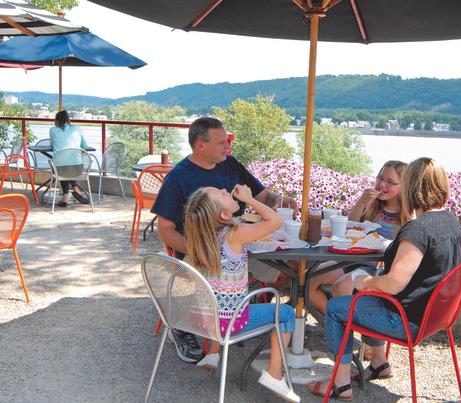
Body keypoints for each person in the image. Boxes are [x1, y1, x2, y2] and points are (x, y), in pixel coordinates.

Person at [308, 157, 461, 400]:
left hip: (405, 319)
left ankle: (340, 383)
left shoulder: (418, 231)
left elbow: (393, 284)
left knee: (338, 309)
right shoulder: (450, 222)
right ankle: (379, 364)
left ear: (411, 188)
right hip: (435, 317)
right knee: (357, 297)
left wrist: (364, 282)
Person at [152, 116, 297, 364]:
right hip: (199, 255)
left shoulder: (230, 164)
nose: (227, 147)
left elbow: (264, 195)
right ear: (200, 145)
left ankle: (241, 309)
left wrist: (278, 199)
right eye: (221, 143)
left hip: (241, 247)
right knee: (227, 277)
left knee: (291, 269)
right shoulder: (178, 177)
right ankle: (188, 325)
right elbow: (164, 229)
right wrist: (204, 250)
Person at [183, 185, 299, 402]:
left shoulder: (203, 238)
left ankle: (213, 354)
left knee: (221, 295)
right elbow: (275, 222)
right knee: (286, 313)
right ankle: (274, 373)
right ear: (223, 214)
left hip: (203, 319)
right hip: (229, 323)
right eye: (222, 194)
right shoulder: (234, 235)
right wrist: (249, 199)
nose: (226, 189)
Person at [308, 160, 410, 315]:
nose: (382, 184)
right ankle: (334, 323)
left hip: (375, 270)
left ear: (404, 187)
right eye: (380, 178)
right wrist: (361, 202)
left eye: (390, 182)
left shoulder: (406, 215)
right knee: (309, 279)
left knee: (342, 288)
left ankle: (342, 325)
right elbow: (350, 228)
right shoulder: (373, 206)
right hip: (350, 260)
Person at [49, 110, 90, 207]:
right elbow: (85, 146)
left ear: (57, 120)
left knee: (63, 165)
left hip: (59, 169)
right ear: (68, 119)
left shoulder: (53, 130)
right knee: (69, 164)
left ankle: (66, 197)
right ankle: (75, 190)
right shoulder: (77, 129)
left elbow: (52, 145)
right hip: (78, 169)